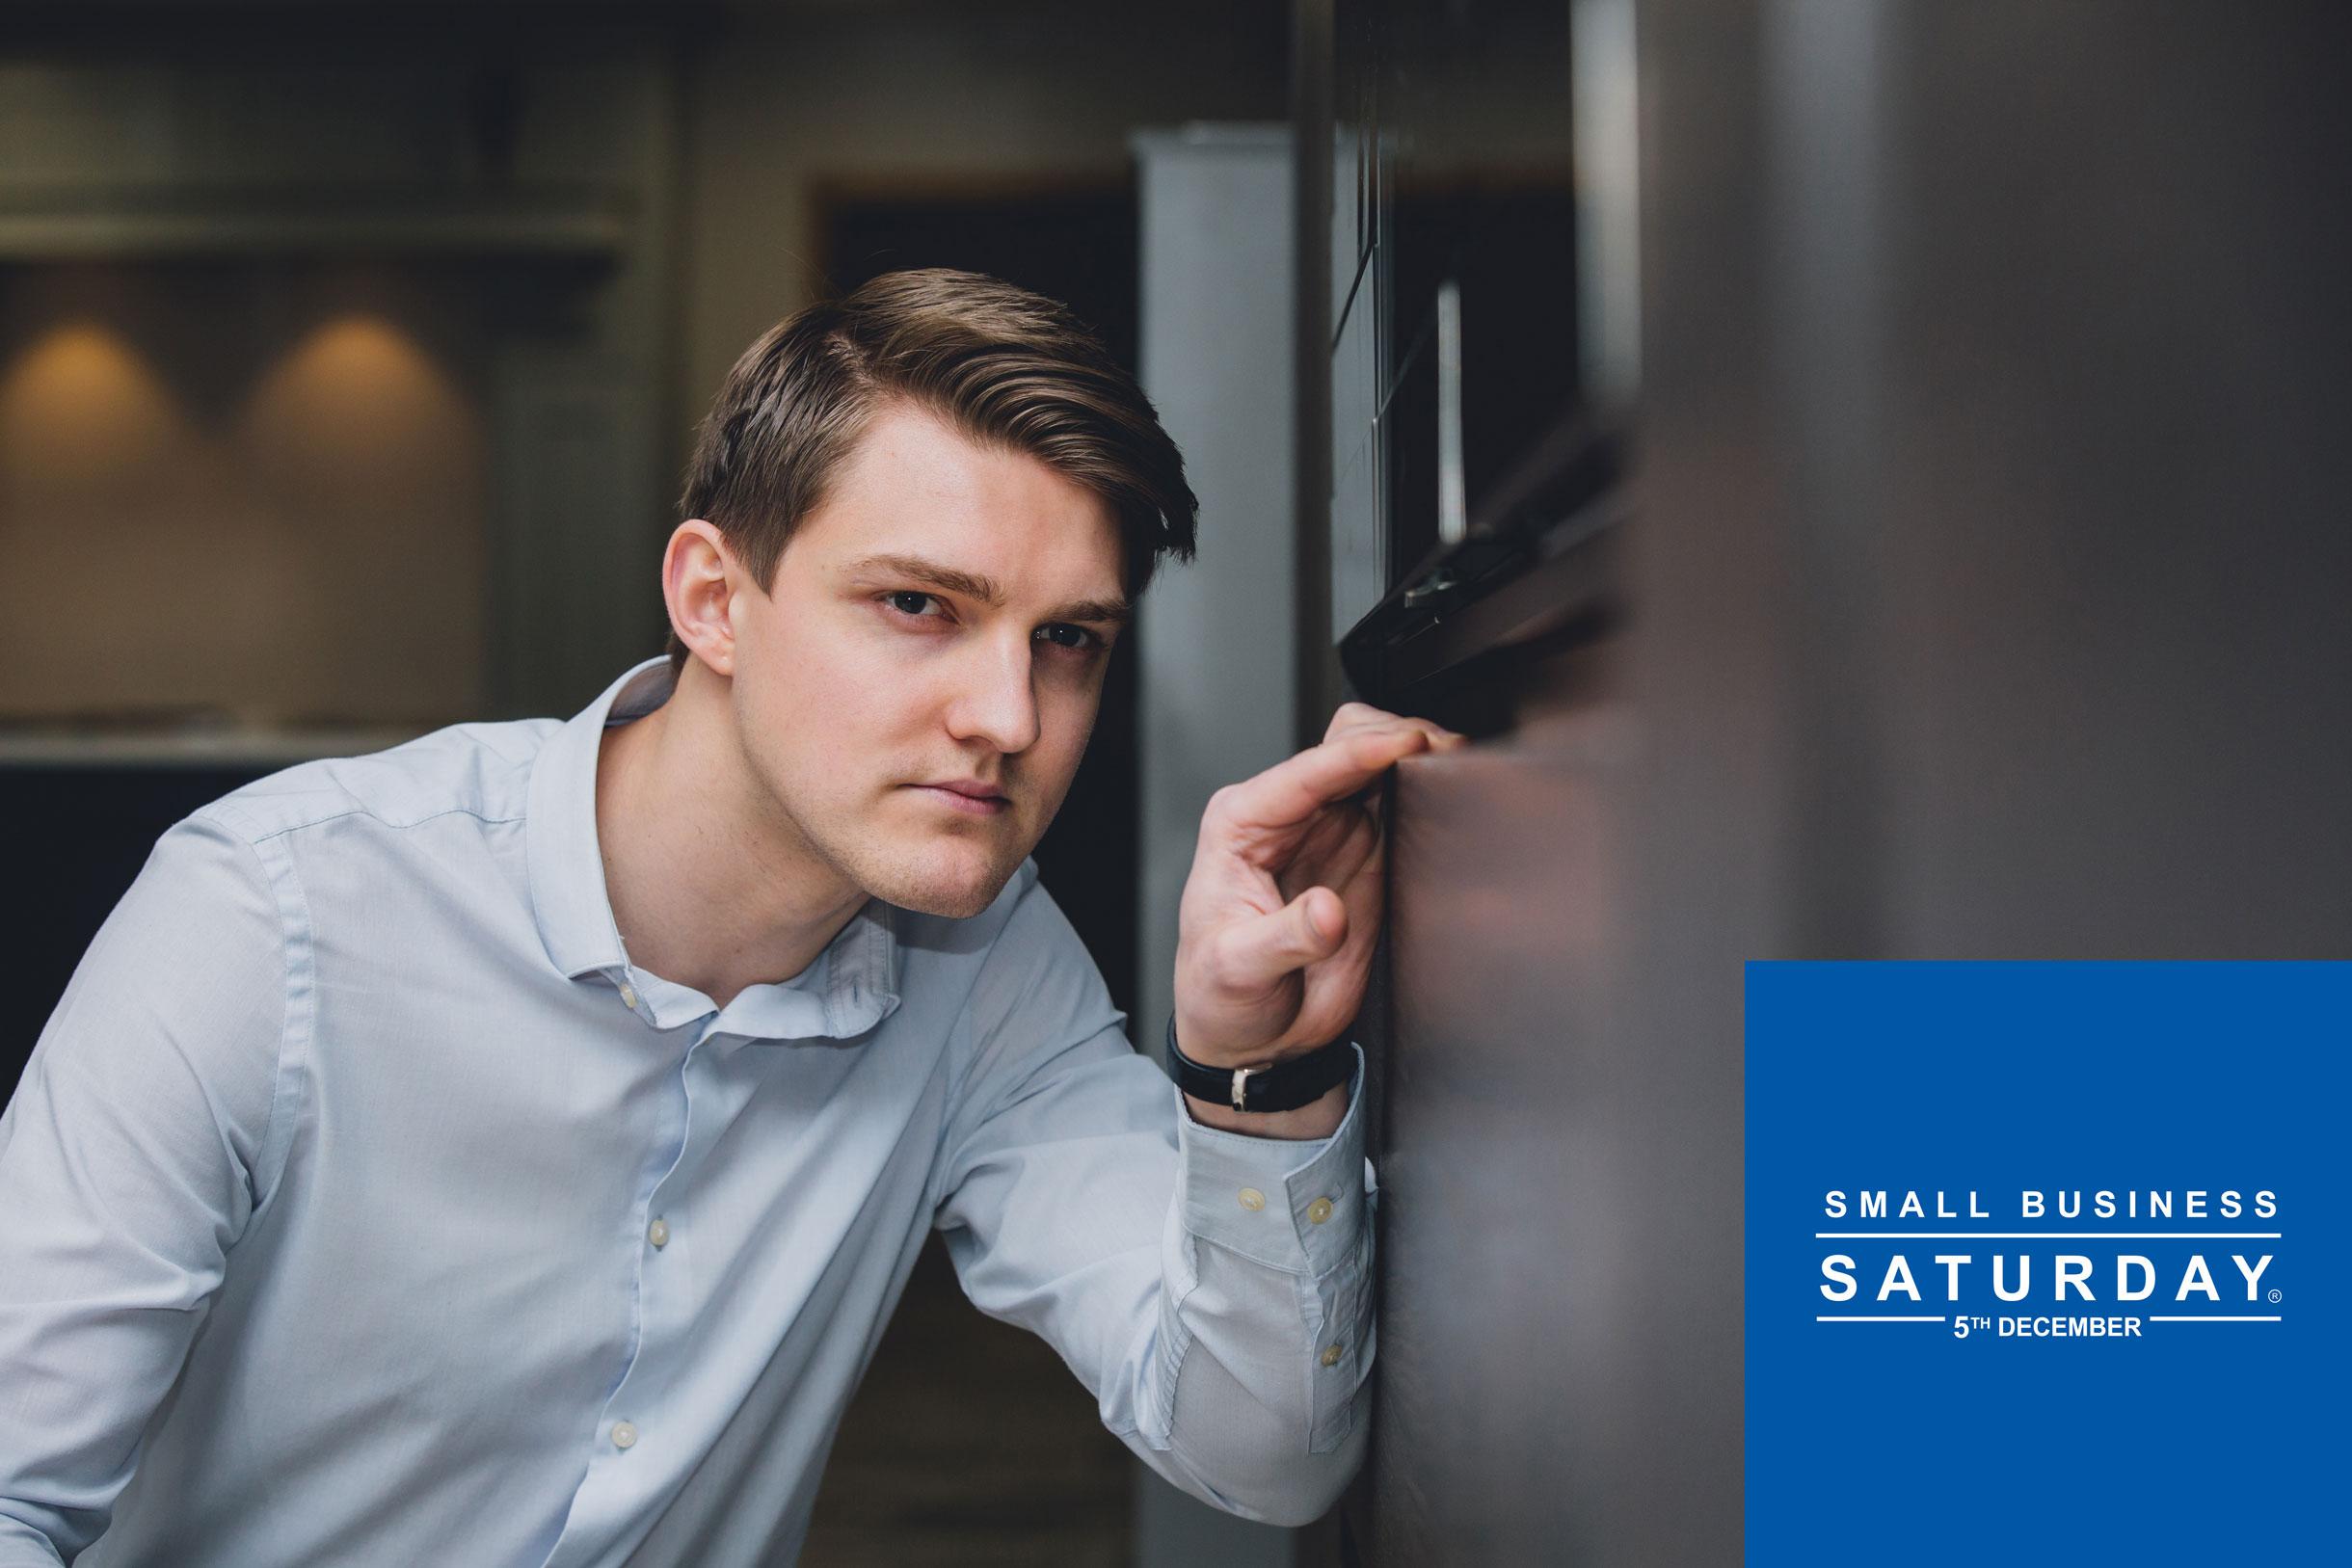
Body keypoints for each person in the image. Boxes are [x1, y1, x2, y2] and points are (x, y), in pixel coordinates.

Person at [0, 269, 1462, 1566]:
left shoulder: (987, 970)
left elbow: (1264, 1452)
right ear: (713, 596)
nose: (1009, 718)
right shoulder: (276, 910)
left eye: (1066, 641)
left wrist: (1253, 1078)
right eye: (916, 606)